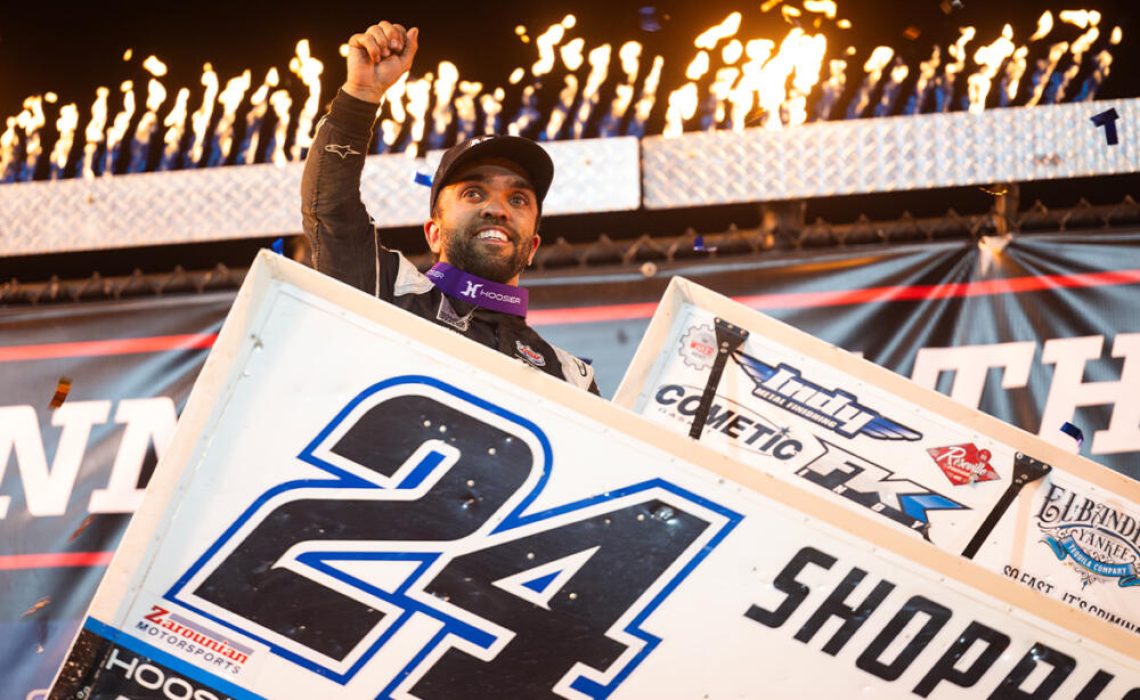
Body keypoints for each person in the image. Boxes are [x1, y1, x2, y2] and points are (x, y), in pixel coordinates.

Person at [301, 21, 598, 393]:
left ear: (533, 247)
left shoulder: (571, 378)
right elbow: (331, 209)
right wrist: (360, 95)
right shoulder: (386, 292)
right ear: (434, 233)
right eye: (473, 193)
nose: (497, 208)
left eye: (518, 199)